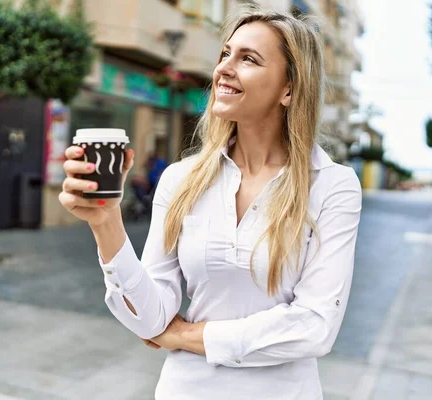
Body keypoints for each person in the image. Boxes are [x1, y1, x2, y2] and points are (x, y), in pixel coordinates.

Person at [59, 7, 362, 399]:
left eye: (248, 59)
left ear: (289, 88)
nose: (224, 68)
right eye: (225, 54)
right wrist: (106, 223)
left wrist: (187, 334)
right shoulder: (181, 179)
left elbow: (315, 327)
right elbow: (151, 318)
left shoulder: (332, 185)